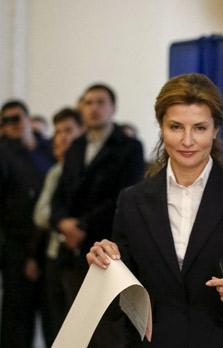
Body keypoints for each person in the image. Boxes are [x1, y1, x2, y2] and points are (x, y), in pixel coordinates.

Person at [86, 73, 223, 347]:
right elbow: (120, 303)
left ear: (215, 130)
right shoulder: (133, 200)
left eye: (199, 128)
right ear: (161, 127)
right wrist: (104, 267)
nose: (187, 140)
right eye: (176, 127)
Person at [51, 83, 144, 346]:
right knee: (78, 330)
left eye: (100, 102)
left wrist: (81, 224)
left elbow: (123, 197)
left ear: (112, 108)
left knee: (108, 330)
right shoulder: (76, 147)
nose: (94, 108)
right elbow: (60, 195)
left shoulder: (129, 147)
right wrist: (62, 222)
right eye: (88, 102)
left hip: (108, 250)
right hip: (73, 249)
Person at [0, 99, 54, 347]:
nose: (12, 124)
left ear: (27, 119)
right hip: (16, 245)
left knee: (53, 315)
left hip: (48, 243)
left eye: (16, 118)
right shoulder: (4, 152)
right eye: (6, 121)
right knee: (17, 317)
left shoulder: (45, 148)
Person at [32, 107, 84, 346]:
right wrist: (65, 223)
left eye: (68, 131)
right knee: (57, 326)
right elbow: (41, 215)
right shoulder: (56, 170)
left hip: (84, 257)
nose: (62, 137)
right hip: (56, 255)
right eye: (58, 132)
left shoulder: (89, 168)